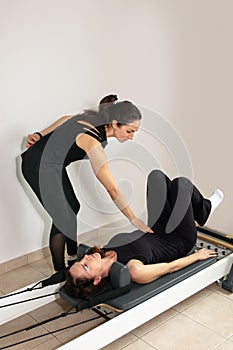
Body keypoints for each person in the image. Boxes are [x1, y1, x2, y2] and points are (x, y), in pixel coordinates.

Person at [21, 94, 152, 286]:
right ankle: (60, 272)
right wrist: (132, 217)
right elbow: (112, 189)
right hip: (38, 166)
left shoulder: (96, 121)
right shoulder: (92, 142)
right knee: (61, 219)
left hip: (52, 165)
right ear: (115, 124)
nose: (131, 137)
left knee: (73, 206)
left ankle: (73, 258)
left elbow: (66, 119)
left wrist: (41, 135)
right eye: (130, 131)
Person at [65, 169, 224, 298]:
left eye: (81, 261)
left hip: (158, 227)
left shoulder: (105, 251)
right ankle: (204, 210)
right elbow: (169, 267)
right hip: (179, 238)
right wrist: (196, 256)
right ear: (97, 280)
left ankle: (202, 209)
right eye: (85, 266)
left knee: (156, 176)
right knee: (181, 184)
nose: (86, 257)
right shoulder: (134, 270)